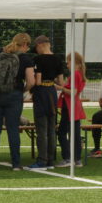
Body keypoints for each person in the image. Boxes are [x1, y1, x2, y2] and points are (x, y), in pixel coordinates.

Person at [0, 33, 35, 171]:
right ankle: (16, 164)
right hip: (13, 95)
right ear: (24, 45)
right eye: (28, 46)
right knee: (13, 130)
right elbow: (31, 81)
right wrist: (22, 90)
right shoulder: (26, 59)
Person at [25, 35, 64, 170]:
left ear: (40, 45)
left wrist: (28, 90)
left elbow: (38, 81)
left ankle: (42, 160)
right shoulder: (58, 59)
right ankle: (50, 160)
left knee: (41, 129)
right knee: (52, 129)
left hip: (41, 94)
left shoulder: (38, 59)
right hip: (52, 94)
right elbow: (61, 82)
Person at [55, 51, 87, 167]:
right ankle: (77, 159)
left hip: (69, 107)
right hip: (74, 107)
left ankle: (68, 158)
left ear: (74, 62)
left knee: (62, 132)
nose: (67, 65)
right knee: (75, 133)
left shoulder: (75, 75)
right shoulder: (79, 74)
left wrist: (58, 87)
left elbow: (73, 92)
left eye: (68, 62)